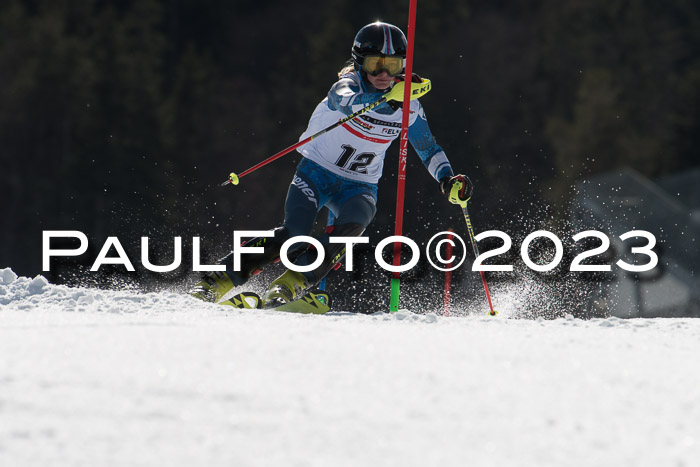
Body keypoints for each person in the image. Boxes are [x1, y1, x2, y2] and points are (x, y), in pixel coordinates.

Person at [190, 21, 473, 307]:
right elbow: (344, 100)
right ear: (361, 63)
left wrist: (447, 179)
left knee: (355, 223)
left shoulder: (410, 105)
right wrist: (386, 99)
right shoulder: (348, 84)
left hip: (359, 186)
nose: (385, 74)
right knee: (294, 236)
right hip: (316, 173)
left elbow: (428, 148)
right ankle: (216, 280)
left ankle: (287, 287)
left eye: (394, 65)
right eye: (376, 65)